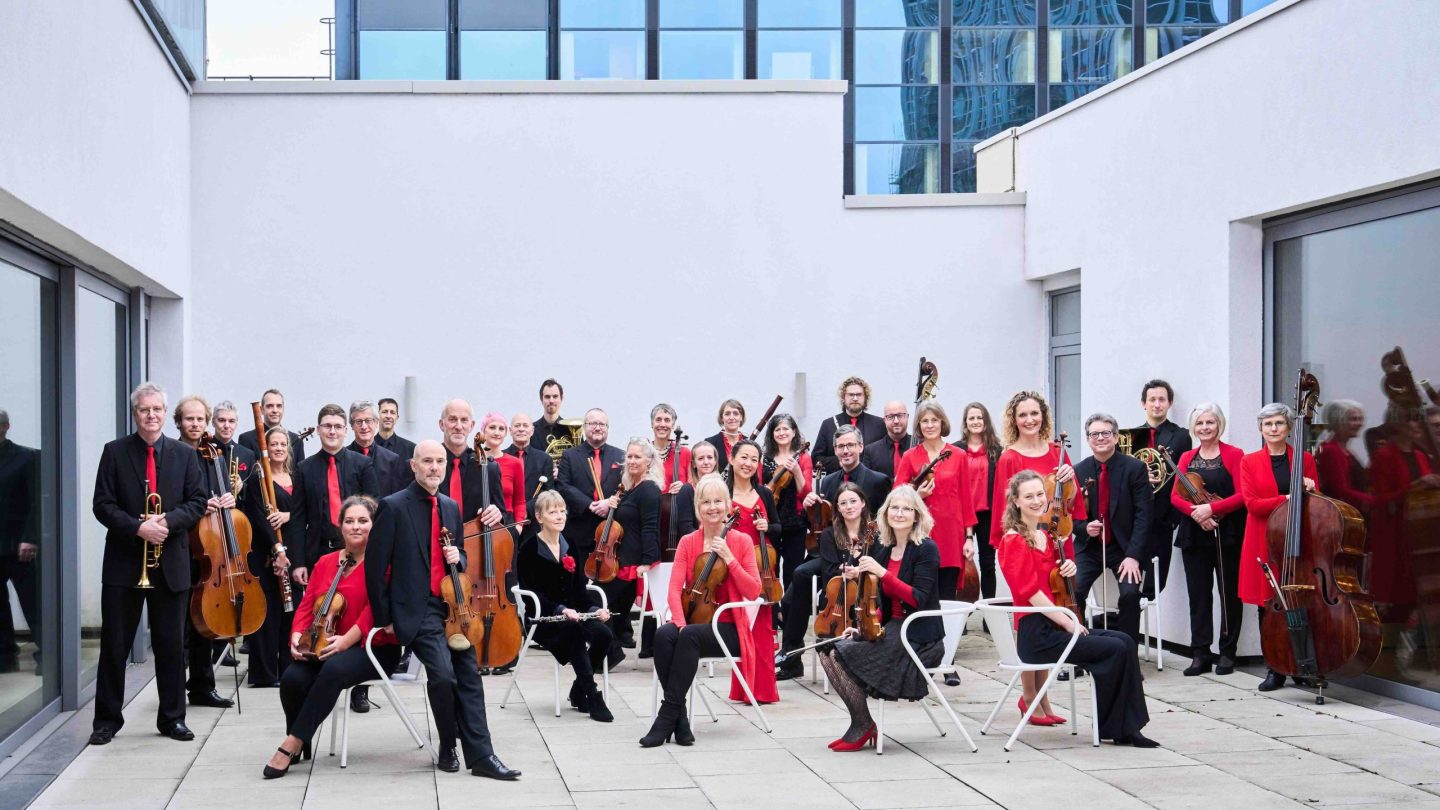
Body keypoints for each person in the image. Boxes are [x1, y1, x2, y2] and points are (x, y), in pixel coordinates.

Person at [365, 440, 520, 780]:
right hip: (417, 611)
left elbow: (462, 557)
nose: (435, 467)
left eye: (440, 462)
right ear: (414, 465)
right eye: (428, 461)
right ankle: (448, 744)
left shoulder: (450, 507)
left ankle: (482, 756)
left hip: (453, 607)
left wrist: (459, 558)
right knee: (443, 676)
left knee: (469, 676)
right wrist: (385, 620)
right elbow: (375, 570)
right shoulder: (393, 507)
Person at [997, 470, 1156, 747]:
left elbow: (1054, 583)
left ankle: (1125, 726)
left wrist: (1069, 569)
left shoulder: (1045, 536)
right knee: (1115, 648)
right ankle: (1121, 729)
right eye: (1028, 496)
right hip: (1038, 634)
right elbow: (1031, 593)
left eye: (1039, 494)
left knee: (1125, 641)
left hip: (1055, 624)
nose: (1036, 501)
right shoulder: (1013, 540)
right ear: (1016, 501)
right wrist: (1070, 623)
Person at [90, 382, 208, 745]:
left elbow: (197, 501)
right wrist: (138, 528)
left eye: (157, 409)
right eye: (145, 410)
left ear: (164, 413)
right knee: (115, 645)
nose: (151, 415)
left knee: (172, 645)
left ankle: (172, 718)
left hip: (170, 563)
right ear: (135, 414)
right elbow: (103, 504)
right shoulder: (114, 452)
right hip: (125, 564)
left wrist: (166, 524)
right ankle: (107, 720)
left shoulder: (185, 456)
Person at [263, 496, 398, 778]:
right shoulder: (326, 563)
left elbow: (375, 609)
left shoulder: (383, 563)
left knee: (335, 669)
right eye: (349, 521)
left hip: (372, 648)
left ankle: (293, 742)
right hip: (323, 643)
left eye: (363, 521)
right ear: (341, 526)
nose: (356, 527)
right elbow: (307, 602)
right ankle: (302, 739)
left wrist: (346, 641)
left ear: (374, 525)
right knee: (291, 678)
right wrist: (297, 634)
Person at [816, 485, 945, 751]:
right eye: (894, 508)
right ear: (885, 514)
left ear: (917, 515)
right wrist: (863, 628)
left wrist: (883, 573)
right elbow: (880, 601)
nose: (899, 513)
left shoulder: (926, 548)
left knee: (842, 655)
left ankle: (862, 727)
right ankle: (861, 721)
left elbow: (918, 598)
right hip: (891, 628)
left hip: (917, 635)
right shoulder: (885, 549)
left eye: (906, 509)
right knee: (827, 648)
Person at [643, 474, 761, 748]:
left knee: (688, 637)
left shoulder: (741, 541)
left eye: (718, 501)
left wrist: (730, 559)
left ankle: (666, 717)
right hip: (694, 622)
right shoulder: (688, 541)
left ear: (728, 505)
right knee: (663, 635)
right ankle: (680, 720)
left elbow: (754, 591)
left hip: (729, 626)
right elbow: (674, 590)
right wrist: (681, 622)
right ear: (698, 507)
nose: (712, 507)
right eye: (706, 502)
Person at [290, 404, 381, 712]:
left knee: (356, 613)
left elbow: (373, 511)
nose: (331, 431)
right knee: (322, 613)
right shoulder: (304, 468)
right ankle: (319, 671)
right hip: (320, 552)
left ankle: (359, 687)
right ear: (318, 430)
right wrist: (299, 561)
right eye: (326, 426)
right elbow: (298, 517)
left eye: (337, 426)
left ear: (346, 430)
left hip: (356, 550)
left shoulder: (360, 464)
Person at [1238, 402, 1319, 693]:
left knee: (1298, 602)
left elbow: (1317, 500)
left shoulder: (1304, 459)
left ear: (1288, 428)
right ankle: (1274, 668)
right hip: (1263, 539)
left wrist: (1309, 489)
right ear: (1261, 429)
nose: (1273, 429)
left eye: (1279, 424)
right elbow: (1252, 505)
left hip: (1297, 539)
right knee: (1268, 606)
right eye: (1268, 424)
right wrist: (1287, 497)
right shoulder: (1248, 461)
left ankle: (1301, 665)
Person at [516, 490, 614, 722]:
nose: (560, 516)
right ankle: (591, 693)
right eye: (553, 512)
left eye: (562, 511)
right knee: (573, 632)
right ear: (539, 518)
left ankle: (578, 689)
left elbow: (580, 589)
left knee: (604, 635)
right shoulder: (528, 549)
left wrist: (593, 610)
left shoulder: (569, 545)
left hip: (574, 615)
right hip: (544, 618)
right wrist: (561, 609)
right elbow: (533, 596)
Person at [1169, 403, 1246, 676]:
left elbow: (1242, 495)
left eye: (1210, 422)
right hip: (1194, 533)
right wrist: (1197, 514)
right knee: (1198, 596)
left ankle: (1227, 652)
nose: (1204, 428)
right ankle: (1200, 653)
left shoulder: (1235, 455)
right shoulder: (1187, 457)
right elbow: (1176, 496)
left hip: (1228, 534)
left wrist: (1212, 508)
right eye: (1200, 423)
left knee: (1229, 595)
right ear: (1194, 427)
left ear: (1219, 424)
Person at [171, 395, 236, 710]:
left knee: (204, 620)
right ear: (179, 422)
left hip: (210, 547)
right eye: (189, 419)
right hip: (181, 543)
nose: (195, 424)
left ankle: (202, 687)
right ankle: (173, 693)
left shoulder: (213, 455)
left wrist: (228, 499)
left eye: (199, 419)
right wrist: (199, 506)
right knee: (180, 624)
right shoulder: (170, 454)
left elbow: (223, 493)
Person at [776, 482, 872, 681]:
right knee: (797, 589)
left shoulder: (873, 533)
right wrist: (846, 569)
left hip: (866, 592)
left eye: (853, 501)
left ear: (863, 503)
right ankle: (794, 653)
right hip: (838, 595)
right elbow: (829, 570)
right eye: (843, 503)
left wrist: (859, 571)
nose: (849, 507)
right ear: (837, 507)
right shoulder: (830, 534)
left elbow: (878, 564)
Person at [1072, 413, 1153, 644]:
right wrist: (1084, 528)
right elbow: (1070, 516)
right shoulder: (1079, 471)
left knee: (1129, 595)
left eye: (1106, 433)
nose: (1100, 438)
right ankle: (1081, 650)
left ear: (1116, 437)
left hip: (1124, 549)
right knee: (1073, 592)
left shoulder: (1135, 468)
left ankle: (1127, 656)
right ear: (1088, 439)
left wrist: (1133, 556)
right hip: (1090, 548)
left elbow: (1144, 515)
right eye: (1094, 434)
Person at [894, 401, 977, 602]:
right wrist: (917, 496)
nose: (929, 425)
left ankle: (948, 632)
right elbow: (897, 495)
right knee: (922, 591)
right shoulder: (909, 456)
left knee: (947, 593)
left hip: (951, 533)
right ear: (919, 426)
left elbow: (966, 499)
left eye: (934, 420)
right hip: (920, 533)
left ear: (942, 423)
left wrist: (969, 538)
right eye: (924, 421)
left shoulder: (958, 455)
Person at [1367, 407, 1440, 621]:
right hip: (1397, 534)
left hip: (1420, 534)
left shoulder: (1420, 455)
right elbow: (1380, 500)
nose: (1418, 426)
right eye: (1413, 421)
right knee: (1401, 601)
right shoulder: (1384, 456)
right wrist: (1416, 485)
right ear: (1398, 425)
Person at [596, 439, 663, 664]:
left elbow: (650, 527)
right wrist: (614, 506)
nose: (632, 461)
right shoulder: (629, 488)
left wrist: (647, 562)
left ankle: (611, 651)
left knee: (604, 602)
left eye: (637, 457)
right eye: (630, 457)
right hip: (618, 558)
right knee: (611, 607)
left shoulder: (649, 489)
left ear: (649, 461)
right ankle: (611, 651)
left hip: (632, 562)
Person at [726, 440, 781, 704]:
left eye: (754, 459)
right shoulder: (722, 492)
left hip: (762, 566)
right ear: (733, 459)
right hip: (733, 564)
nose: (748, 463)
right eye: (744, 457)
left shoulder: (765, 494)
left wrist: (767, 526)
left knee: (761, 628)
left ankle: (763, 691)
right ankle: (742, 688)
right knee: (740, 627)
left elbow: (780, 529)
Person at [243, 426, 299, 687]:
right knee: (268, 614)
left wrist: (288, 517)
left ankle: (288, 668)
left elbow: (303, 514)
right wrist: (276, 551)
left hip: (292, 555)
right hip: (267, 555)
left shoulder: (297, 476)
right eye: (273, 444)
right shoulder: (258, 480)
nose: (278, 448)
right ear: (266, 448)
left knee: (291, 613)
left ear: (288, 447)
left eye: (282, 444)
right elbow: (257, 517)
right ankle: (264, 673)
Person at [989, 391, 1081, 547]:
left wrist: (1071, 480)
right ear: (1014, 420)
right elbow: (1003, 509)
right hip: (1027, 542)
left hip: (1059, 535)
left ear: (1043, 416)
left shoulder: (1057, 451)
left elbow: (1073, 502)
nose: (1029, 420)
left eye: (1034, 413)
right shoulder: (1009, 459)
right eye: (1023, 415)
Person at [1127, 380, 1192, 593]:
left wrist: (1174, 519)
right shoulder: (1130, 437)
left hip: (1163, 518)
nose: (1157, 404)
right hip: (1135, 518)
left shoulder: (1181, 436)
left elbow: (1183, 478)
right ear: (1143, 404)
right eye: (1152, 399)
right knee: (1130, 581)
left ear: (1169, 403)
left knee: (1156, 584)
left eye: (1161, 399)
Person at [556, 409, 624, 570]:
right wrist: (589, 504)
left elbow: (627, 487)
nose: (598, 427)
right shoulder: (570, 455)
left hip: (610, 532)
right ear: (585, 427)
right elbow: (562, 486)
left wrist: (610, 502)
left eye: (602, 424)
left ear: (607, 428)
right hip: (579, 529)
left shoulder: (621, 456)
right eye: (593, 423)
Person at [0, 410, 40, 674]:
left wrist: (31, 538)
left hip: (20, 544)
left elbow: (39, 501)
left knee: (34, 601)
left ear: (5, 427)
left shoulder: (28, 457)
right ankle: (5, 654)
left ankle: (49, 653)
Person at [436, 399, 509, 528]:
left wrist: (498, 514)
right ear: (442, 424)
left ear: (472, 425)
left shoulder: (489, 468)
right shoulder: (429, 466)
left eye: (464, 420)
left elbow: (502, 515)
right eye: (452, 419)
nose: (458, 426)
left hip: (475, 545)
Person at [760, 413, 813, 588]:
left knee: (793, 569)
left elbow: (805, 493)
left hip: (795, 522)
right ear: (772, 433)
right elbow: (759, 488)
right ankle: (775, 611)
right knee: (771, 569)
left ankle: (790, 610)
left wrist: (797, 471)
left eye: (786, 429)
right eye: (777, 429)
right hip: (771, 521)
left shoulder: (803, 457)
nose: (782, 433)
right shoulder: (765, 458)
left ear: (794, 432)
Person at [956, 402, 1001, 601]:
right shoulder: (955, 450)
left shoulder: (997, 451)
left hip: (987, 515)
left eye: (979, 417)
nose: (975, 421)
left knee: (988, 564)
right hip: (961, 514)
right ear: (965, 422)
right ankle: (961, 614)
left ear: (986, 422)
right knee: (960, 565)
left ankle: (989, 615)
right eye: (971, 418)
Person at [806, 425, 889, 514]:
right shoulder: (827, 482)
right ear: (835, 450)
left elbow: (883, 520)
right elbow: (823, 520)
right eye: (841, 446)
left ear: (860, 447)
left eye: (850, 445)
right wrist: (808, 507)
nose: (845, 451)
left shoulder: (879, 481)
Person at [812, 377, 887, 473]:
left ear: (865, 398)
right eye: (851, 395)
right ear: (843, 398)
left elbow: (885, 456)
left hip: (869, 483)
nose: (855, 398)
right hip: (838, 483)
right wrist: (841, 461)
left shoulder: (879, 424)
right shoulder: (828, 424)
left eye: (859, 395)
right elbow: (816, 459)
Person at [1316, 400, 1374, 515]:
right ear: (1338, 421)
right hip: (1342, 515)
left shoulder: (1346, 451)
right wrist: (1375, 501)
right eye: (1353, 419)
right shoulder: (1331, 450)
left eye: (1360, 419)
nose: (1359, 423)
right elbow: (1340, 490)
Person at [349, 400, 406, 496]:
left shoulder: (391, 460)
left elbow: (396, 498)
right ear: (352, 426)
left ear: (376, 423)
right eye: (359, 421)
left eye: (368, 421)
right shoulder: (343, 458)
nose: (364, 426)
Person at [479, 412, 527, 525]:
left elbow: (520, 502)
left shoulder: (514, 463)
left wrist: (518, 528)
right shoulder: (474, 461)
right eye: (492, 427)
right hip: (478, 523)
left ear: (506, 433)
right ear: (483, 430)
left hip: (507, 524)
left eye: (501, 429)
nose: (497, 433)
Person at [239, 389, 306, 464]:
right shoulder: (246, 439)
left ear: (283, 409)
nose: (275, 410)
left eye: (279, 406)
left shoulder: (296, 440)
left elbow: (300, 473)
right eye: (270, 406)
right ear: (261, 410)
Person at [505, 413, 552, 521]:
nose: (521, 429)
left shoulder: (545, 459)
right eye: (517, 426)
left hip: (534, 520)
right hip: (506, 519)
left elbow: (547, 491)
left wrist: (526, 510)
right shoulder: (501, 457)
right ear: (510, 430)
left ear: (532, 430)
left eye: (525, 425)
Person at [211, 401, 256, 494]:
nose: (227, 426)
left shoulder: (248, 455)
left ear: (236, 424)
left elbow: (254, 492)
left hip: (238, 508)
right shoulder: (202, 451)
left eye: (231, 421)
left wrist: (242, 486)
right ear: (213, 422)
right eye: (222, 420)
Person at [861, 401, 913, 481]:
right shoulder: (870, 451)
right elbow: (866, 482)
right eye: (891, 417)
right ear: (884, 420)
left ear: (907, 417)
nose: (896, 421)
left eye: (900, 416)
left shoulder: (920, 445)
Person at [704, 399, 746, 469]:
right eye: (727, 414)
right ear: (721, 418)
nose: (731, 418)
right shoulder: (709, 443)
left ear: (741, 417)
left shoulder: (750, 444)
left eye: (735, 413)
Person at [375, 397, 416, 463]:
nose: (388, 416)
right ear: (377, 416)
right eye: (384, 412)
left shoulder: (411, 448)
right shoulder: (367, 446)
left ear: (397, 417)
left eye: (392, 412)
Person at [533, 379, 567, 456]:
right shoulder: (531, 431)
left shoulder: (571, 430)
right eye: (547, 397)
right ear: (541, 399)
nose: (551, 400)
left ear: (561, 399)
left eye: (555, 396)